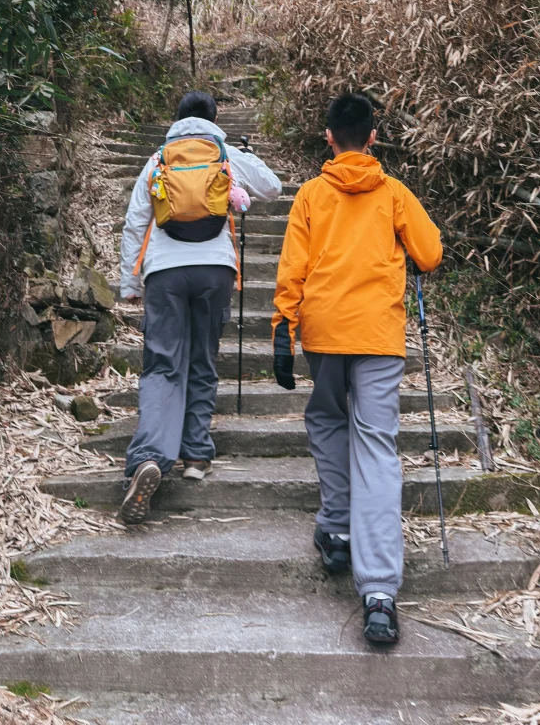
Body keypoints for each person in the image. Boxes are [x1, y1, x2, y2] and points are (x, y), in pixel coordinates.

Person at [271, 91, 442, 647]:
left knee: (327, 421)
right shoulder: (393, 192)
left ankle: (337, 528)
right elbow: (430, 254)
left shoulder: (310, 196)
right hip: (377, 334)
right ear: (372, 137)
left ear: (328, 137)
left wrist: (282, 327)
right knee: (376, 444)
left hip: (323, 329)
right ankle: (380, 593)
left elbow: (292, 268)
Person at [118, 89, 282, 525]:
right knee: (203, 360)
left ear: (176, 119)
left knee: (163, 365)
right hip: (215, 269)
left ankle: (149, 456)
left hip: (164, 272)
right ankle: (195, 455)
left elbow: (136, 221)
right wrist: (247, 157)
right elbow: (273, 187)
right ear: (215, 118)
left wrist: (130, 282)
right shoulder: (225, 153)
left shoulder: (158, 158)